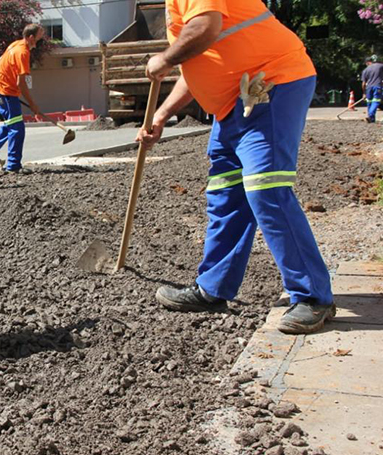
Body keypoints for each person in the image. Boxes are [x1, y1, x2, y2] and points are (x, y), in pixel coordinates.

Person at [137, 0, 335, 334]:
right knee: (226, 194)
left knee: (266, 189)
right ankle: (212, 289)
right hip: (234, 103)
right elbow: (197, 67)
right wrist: (162, 114)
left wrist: (164, 59)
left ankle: (314, 296)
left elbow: (205, 28)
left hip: (270, 83)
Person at [0, 24, 44, 174]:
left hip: (4, 92)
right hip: (6, 94)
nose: (40, 41)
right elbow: (21, 83)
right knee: (17, 129)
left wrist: (6, 81)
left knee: (11, 125)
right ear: (31, 37)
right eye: (39, 37)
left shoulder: (15, 44)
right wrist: (32, 104)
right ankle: (13, 165)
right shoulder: (23, 52)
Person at [361, 55, 382, 123]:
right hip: (377, 86)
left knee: (369, 102)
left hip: (368, 88)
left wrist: (364, 93)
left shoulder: (365, 70)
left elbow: (363, 83)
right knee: (375, 101)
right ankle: (370, 116)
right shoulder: (380, 66)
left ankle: (371, 119)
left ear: (367, 62)